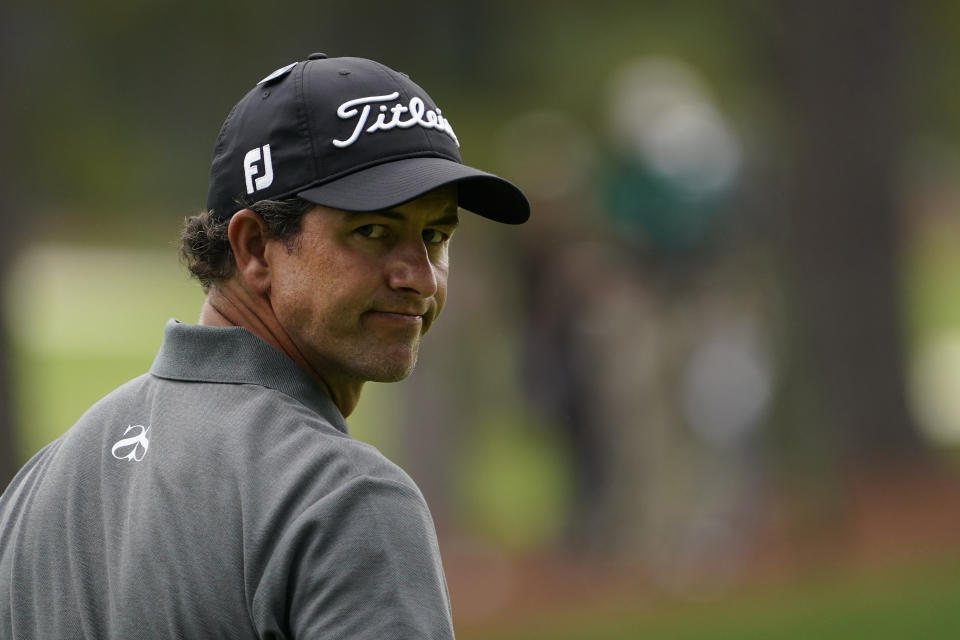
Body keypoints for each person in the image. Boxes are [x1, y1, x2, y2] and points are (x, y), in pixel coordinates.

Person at [0, 53, 529, 639]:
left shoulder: (39, 485)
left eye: (435, 236)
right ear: (254, 248)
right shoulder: (346, 500)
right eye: (374, 231)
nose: (420, 277)